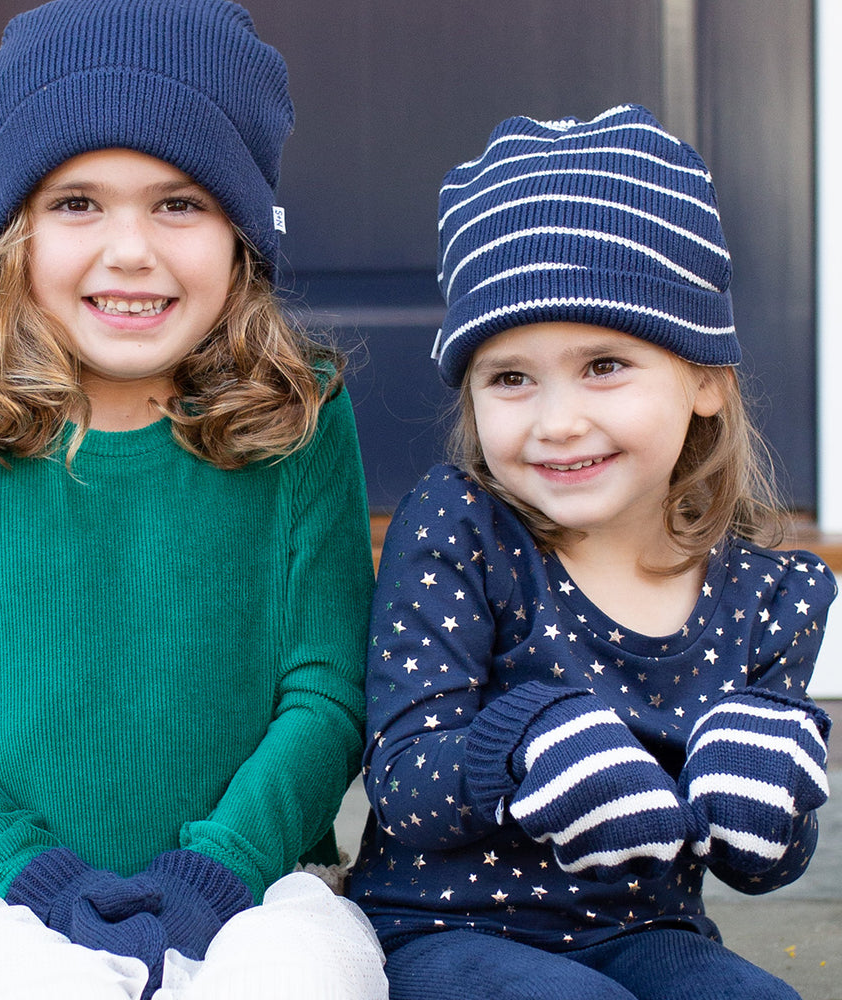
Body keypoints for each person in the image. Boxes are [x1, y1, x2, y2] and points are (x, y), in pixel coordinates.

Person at [0, 1, 388, 997]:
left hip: (253, 887)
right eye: (78, 203)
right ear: (14, 230)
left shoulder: (300, 417)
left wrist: (214, 872)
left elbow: (325, 698)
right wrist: (35, 881)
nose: (131, 249)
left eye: (179, 203)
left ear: (238, 233)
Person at [349, 103, 835, 1000]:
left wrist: (768, 794)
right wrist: (524, 744)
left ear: (704, 381)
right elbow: (404, 784)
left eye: (604, 364)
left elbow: (761, 866)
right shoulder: (461, 532)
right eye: (511, 377)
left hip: (648, 929)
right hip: (445, 930)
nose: (558, 420)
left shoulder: (766, 593)